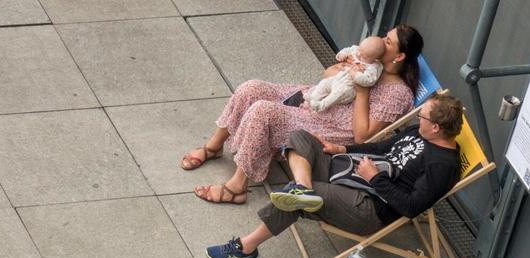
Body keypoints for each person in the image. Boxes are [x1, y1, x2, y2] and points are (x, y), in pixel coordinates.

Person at [205, 91, 463, 258]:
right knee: (300, 137)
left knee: (296, 200)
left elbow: (411, 208)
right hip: (351, 175)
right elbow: (381, 148)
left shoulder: (442, 165)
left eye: (423, 116)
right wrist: (344, 149)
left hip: (369, 207)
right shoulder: (420, 132)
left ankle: (245, 248)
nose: (418, 117)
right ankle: (302, 187)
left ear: (437, 127)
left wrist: (375, 179)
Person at [180, 24, 421, 205]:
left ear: (399, 56)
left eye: (388, 41)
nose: (380, 40)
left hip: (333, 128)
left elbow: (362, 136)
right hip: (317, 100)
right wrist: (344, 68)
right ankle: (214, 146)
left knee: (264, 111)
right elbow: (327, 74)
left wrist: (362, 90)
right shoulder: (370, 61)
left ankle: (237, 186)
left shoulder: (397, 94)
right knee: (251, 88)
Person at [307, 36, 385, 112]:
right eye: (360, 50)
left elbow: (369, 80)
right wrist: (341, 55)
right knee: (324, 83)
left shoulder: (373, 67)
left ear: (375, 59)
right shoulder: (357, 49)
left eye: (364, 57)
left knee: (337, 93)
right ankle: (313, 97)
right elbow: (347, 50)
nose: (359, 54)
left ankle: (321, 106)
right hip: (338, 78)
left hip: (349, 87)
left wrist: (355, 75)